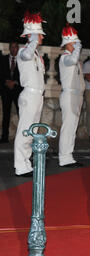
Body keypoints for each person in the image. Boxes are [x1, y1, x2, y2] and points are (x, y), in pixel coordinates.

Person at [14, 12, 46, 177]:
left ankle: (26, 163)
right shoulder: (23, 51)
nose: (41, 37)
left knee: (32, 131)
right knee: (25, 130)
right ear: (32, 36)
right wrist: (32, 39)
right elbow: (26, 55)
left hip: (37, 96)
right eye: (39, 35)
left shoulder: (36, 54)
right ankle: (20, 166)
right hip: (29, 95)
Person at [58, 24, 85, 168]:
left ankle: (68, 156)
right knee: (68, 127)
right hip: (69, 95)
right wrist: (78, 48)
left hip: (76, 96)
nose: (76, 45)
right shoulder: (65, 58)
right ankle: (64, 157)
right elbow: (73, 60)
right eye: (74, 42)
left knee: (72, 127)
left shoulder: (72, 58)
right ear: (68, 43)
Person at [0, 41, 22, 143]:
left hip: (18, 91)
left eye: (16, 47)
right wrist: (6, 81)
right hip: (6, 91)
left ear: (18, 48)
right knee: (6, 114)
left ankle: (22, 137)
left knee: (21, 114)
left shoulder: (22, 60)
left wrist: (15, 82)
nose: (14, 49)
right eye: (12, 47)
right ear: (9, 48)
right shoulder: (3, 59)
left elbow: (24, 76)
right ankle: (4, 137)